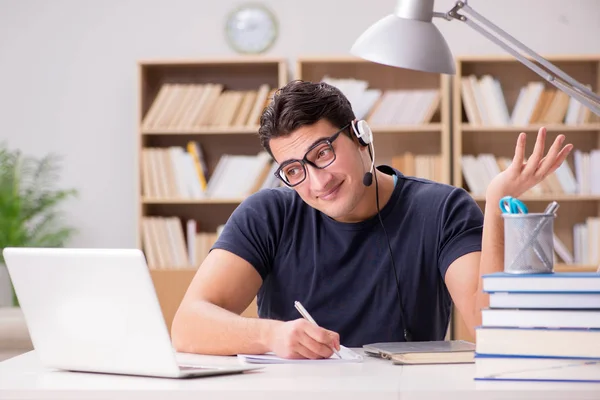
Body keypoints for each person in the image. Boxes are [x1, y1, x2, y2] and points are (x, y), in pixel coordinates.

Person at [171, 80, 572, 360]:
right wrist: (271, 334)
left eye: (323, 152)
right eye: (294, 170)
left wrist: (498, 201)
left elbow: (492, 328)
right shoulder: (267, 214)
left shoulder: (443, 209)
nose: (317, 181)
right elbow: (188, 325)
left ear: (361, 135)